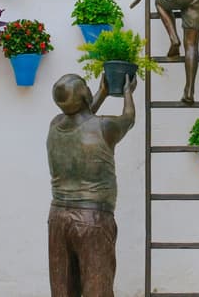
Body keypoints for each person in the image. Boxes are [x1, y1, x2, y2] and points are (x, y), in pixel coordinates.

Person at [46, 72, 136, 297]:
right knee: (97, 290)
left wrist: (102, 92)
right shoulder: (105, 126)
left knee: (63, 290)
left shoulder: (55, 125)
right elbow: (128, 119)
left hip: (58, 217)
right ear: (85, 95)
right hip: (93, 220)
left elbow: (81, 116)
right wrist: (127, 93)